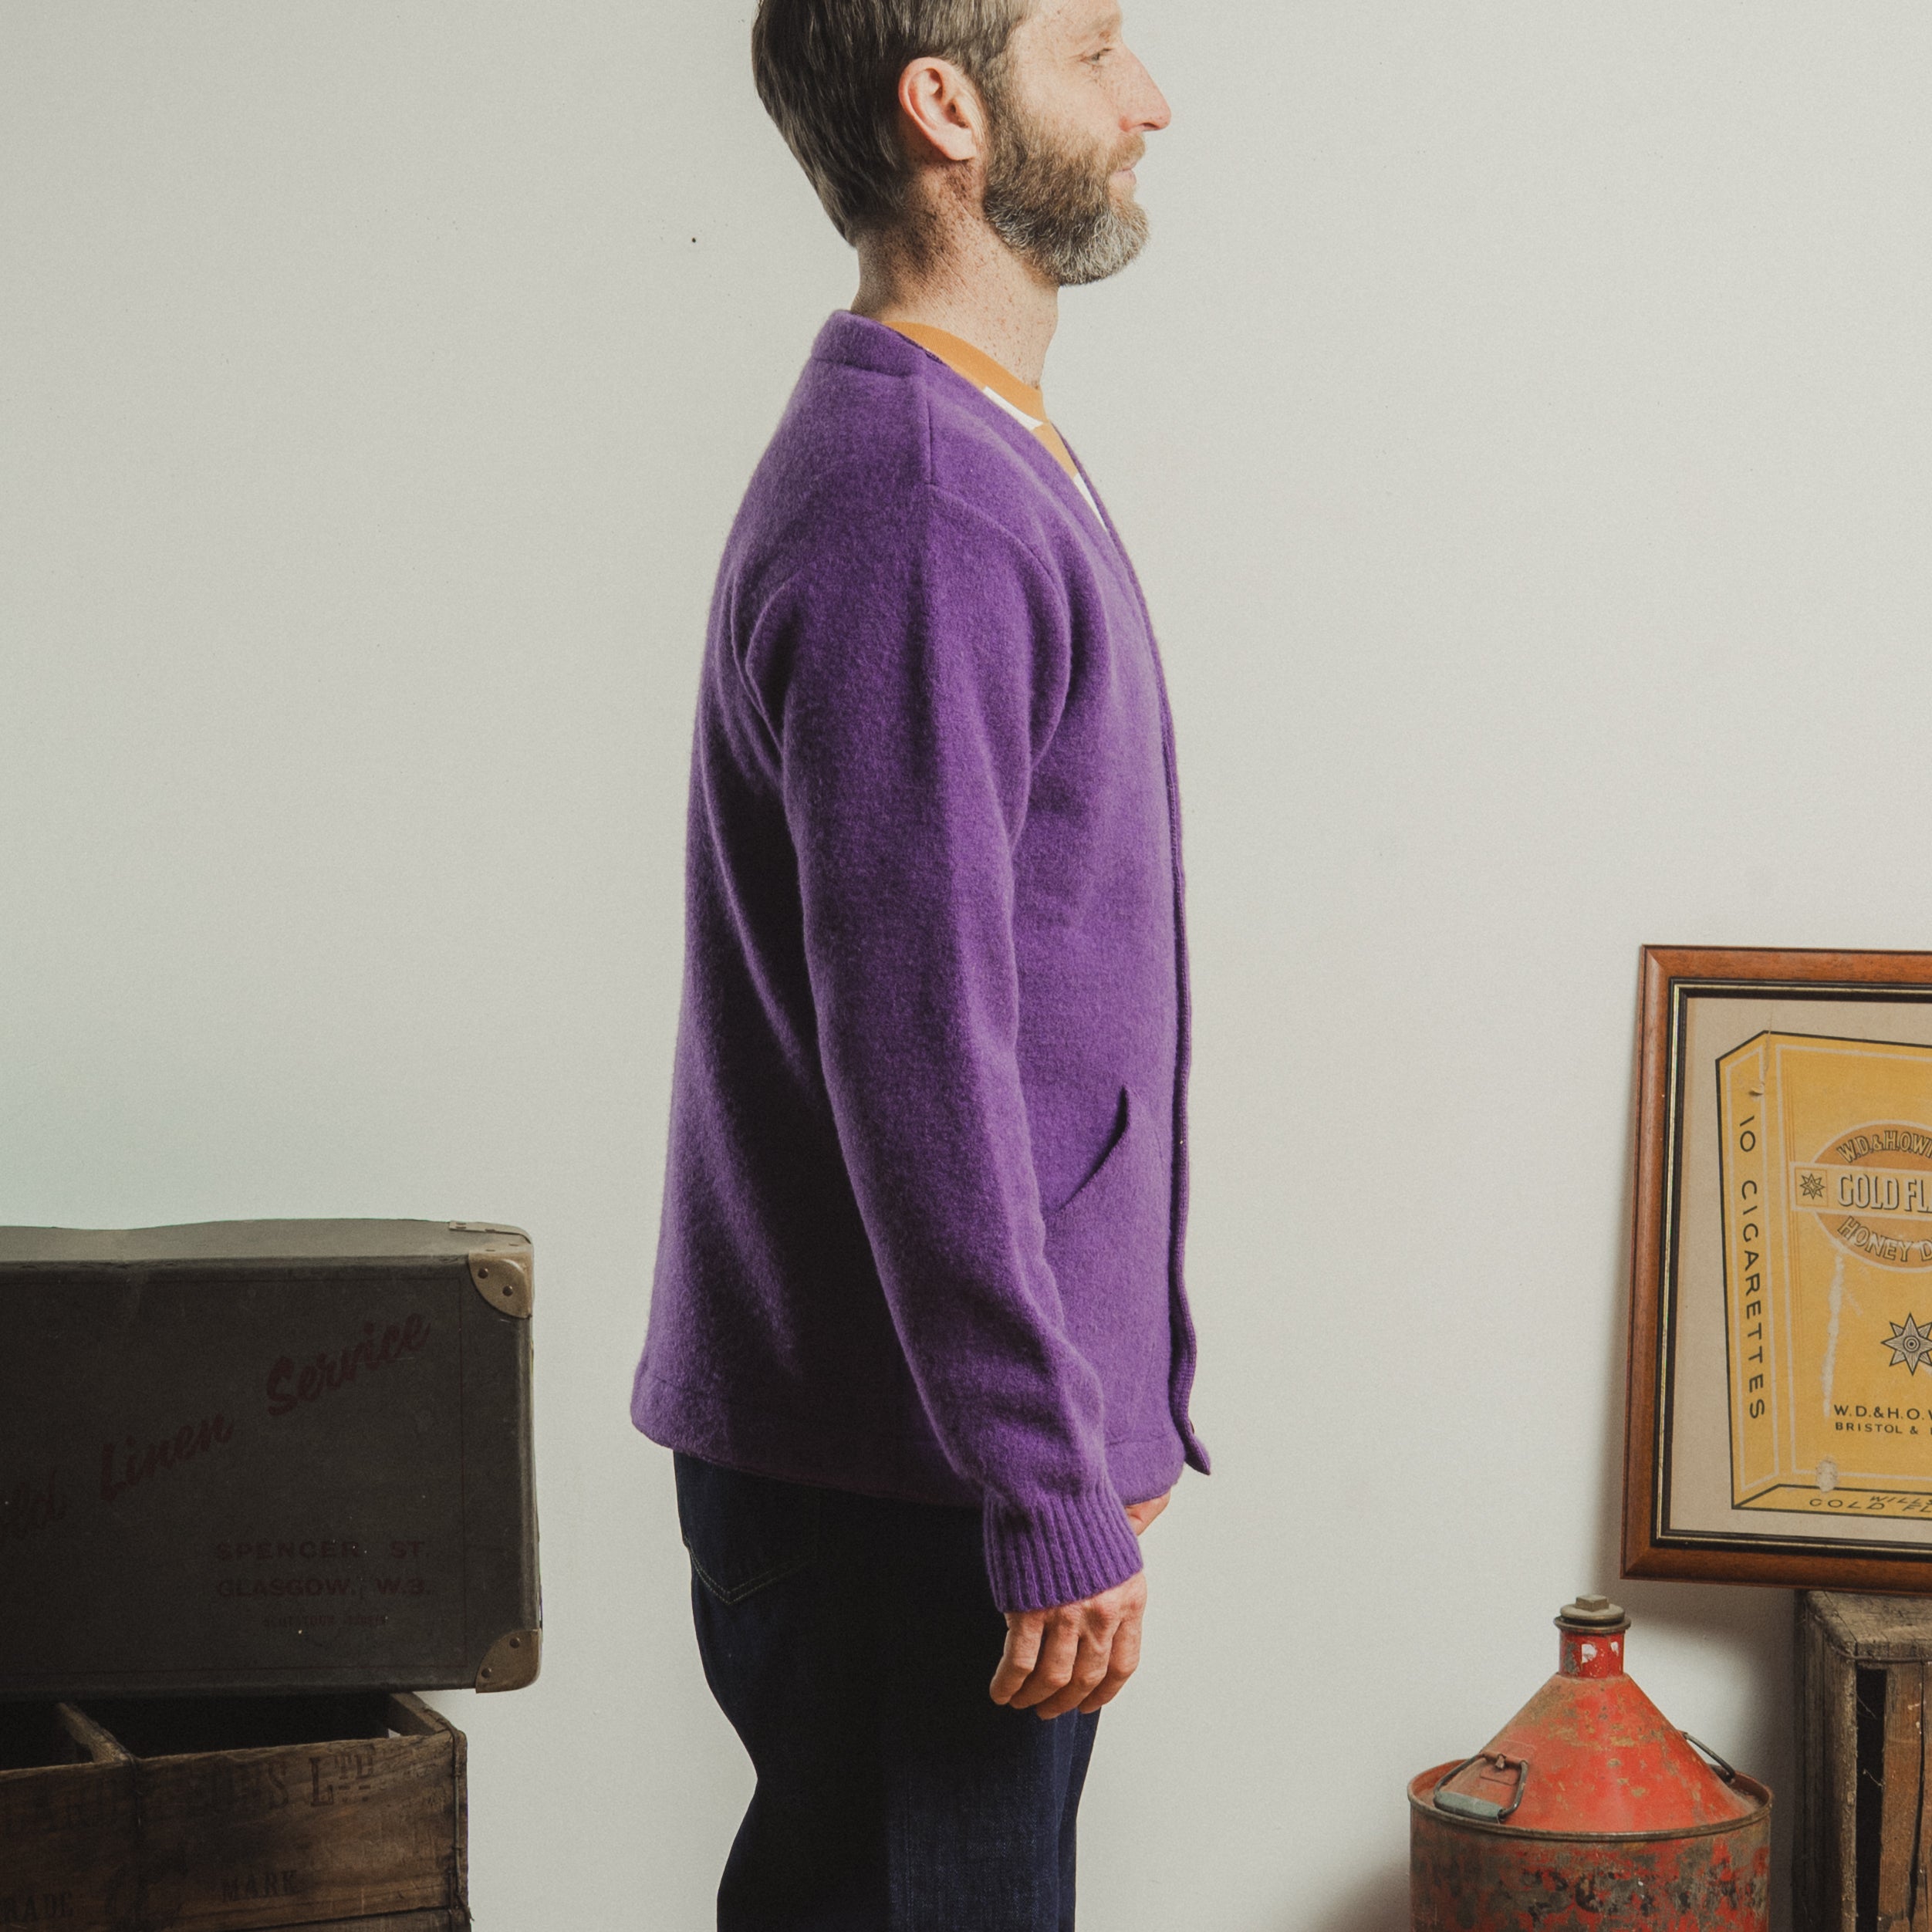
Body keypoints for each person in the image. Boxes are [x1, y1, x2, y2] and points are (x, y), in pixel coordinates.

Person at [631, 1, 1204, 1924]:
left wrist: (1107, 1407)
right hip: (916, 1483)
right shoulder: (920, 501)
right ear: (947, 107)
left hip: (943, 1450)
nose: (1148, 101)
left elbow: (1043, 983)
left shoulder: (976, 448)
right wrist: (1040, 1472)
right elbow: (917, 1053)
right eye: (1095, 50)